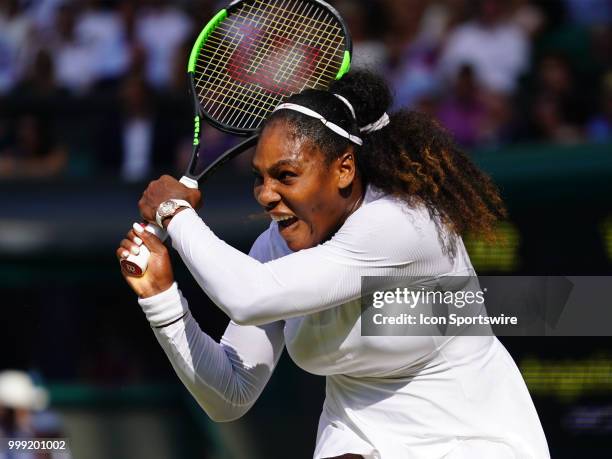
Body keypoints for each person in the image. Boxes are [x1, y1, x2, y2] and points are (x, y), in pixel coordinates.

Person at [117, 71, 550, 458]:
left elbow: (250, 297)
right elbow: (230, 393)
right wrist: (162, 300)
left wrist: (175, 213)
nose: (266, 194)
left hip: (472, 445)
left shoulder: (403, 224)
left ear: (344, 169)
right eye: (260, 177)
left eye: (285, 176)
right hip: (358, 444)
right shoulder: (277, 244)